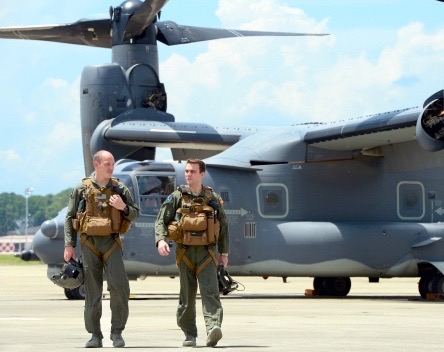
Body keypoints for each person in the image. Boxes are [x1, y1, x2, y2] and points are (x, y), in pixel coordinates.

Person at [64, 150, 139, 348]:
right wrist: (69, 245)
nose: (111, 167)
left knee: (120, 288)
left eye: (112, 163)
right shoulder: (82, 189)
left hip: (112, 243)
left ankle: (117, 333)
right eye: (107, 163)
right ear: (96, 164)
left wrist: (123, 207)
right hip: (89, 244)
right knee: (92, 291)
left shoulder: (120, 189)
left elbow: (134, 214)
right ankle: (95, 335)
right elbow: (69, 217)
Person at [155, 159, 229, 347]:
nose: (188, 174)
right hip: (185, 253)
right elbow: (161, 220)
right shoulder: (177, 197)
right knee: (186, 298)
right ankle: (189, 334)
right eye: (187, 171)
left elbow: (224, 226)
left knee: (210, 293)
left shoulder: (213, 199)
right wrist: (161, 240)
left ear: (202, 174)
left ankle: (213, 328)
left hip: (207, 254)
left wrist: (224, 253)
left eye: (193, 171)